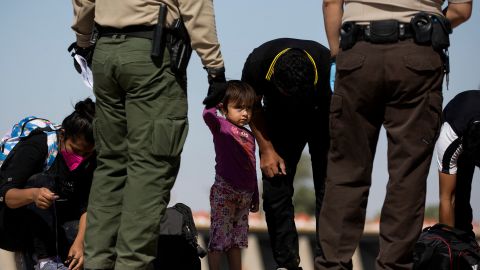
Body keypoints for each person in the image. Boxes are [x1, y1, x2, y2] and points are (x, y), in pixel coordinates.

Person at [317, 0, 472, 269]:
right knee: (407, 177)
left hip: (357, 52)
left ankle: (332, 265)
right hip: (418, 54)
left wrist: (337, 56)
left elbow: (331, 2)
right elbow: (461, 10)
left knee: (346, 172)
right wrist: (428, 22)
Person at [71, 0, 226, 269]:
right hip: (150, 54)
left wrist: (84, 41)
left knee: (110, 165)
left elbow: (84, 3)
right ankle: (132, 265)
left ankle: (97, 263)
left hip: (105, 51)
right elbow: (195, 6)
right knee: (151, 166)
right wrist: (215, 68)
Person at [241, 38, 331, 270]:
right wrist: (267, 149)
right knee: (275, 185)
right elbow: (252, 107)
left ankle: (329, 261)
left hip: (321, 115)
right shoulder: (258, 63)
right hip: (280, 120)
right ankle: (287, 263)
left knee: (330, 187)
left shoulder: (327, 64)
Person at [0, 98, 96, 270]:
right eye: (75, 150)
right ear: (63, 135)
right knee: (41, 181)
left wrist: (80, 244)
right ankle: (45, 261)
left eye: (86, 154)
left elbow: (87, 205)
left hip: (60, 225)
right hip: (18, 223)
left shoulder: (90, 162)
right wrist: (33, 195)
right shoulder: (37, 147)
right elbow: (6, 195)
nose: (80, 158)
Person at [203, 80, 259, 270]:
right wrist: (216, 94)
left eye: (249, 108)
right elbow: (207, 113)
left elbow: (252, 166)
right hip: (225, 191)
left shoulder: (251, 136)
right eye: (239, 108)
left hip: (245, 195)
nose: (245, 113)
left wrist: (256, 195)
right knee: (219, 237)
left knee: (237, 241)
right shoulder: (220, 127)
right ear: (224, 109)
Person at [437, 90, 480, 236]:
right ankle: (450, 247)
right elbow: (446, 197)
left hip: (470, 130)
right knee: (454, 193)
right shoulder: (450, 138)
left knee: (463, 197)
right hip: (458, 127)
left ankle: (466, 242)